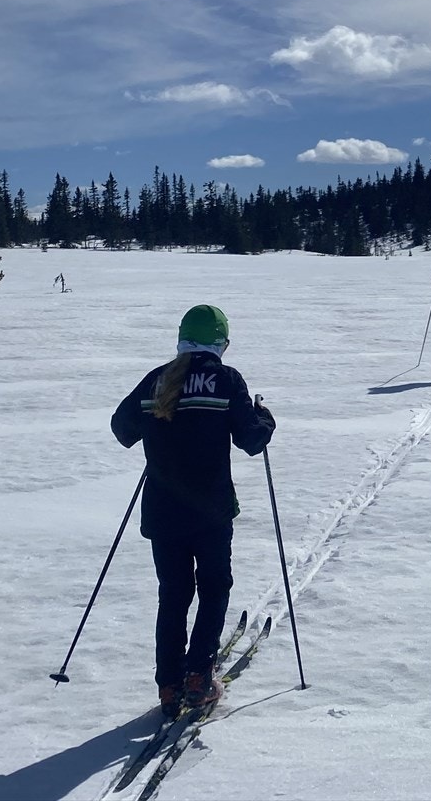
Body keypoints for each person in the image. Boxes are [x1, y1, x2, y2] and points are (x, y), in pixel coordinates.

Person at [111, 304, 275, 717]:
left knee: (174, 595)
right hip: (211, 510)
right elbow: (252, 440)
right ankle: (199, 677)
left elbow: (122, 429)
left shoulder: (157, 378)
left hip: (163, 513)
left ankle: (169, 685)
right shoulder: (225, 379)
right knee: (214, 588)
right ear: (221, 342)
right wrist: (265, 418)